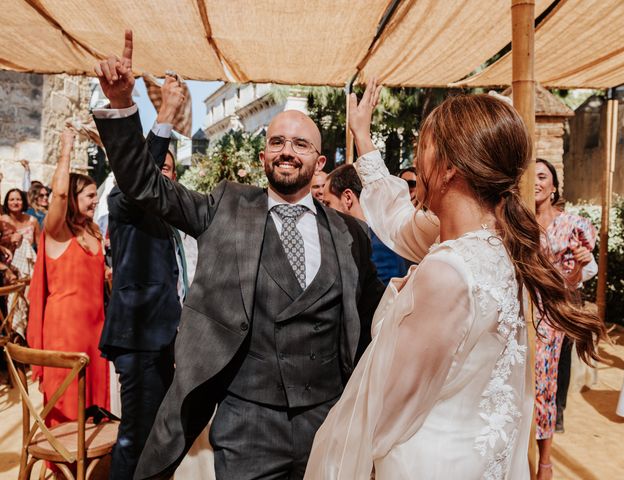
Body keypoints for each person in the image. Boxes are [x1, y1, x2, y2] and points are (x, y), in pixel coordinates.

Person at [92, 30, 384, 480]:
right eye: (277, 142)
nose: (287, 151)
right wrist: (120, 107)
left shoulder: (350, 234)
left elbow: (374, 321)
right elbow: (145, 186)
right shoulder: (224, 206)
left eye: (300, 144)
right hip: (247, 426)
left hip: (328, 422)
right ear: (263, 153)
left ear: (320, 162)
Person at [305, 80, 607, 479]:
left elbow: (390, 410)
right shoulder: (499, 244)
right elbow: (399, 220)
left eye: (424, 145)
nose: (416, 155)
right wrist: (363, 137)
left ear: (450, 168)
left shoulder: (449, 270)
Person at [101, 119, 188, 479]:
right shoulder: (123, 202)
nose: (159, 178)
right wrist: (165, 116)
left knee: (158, 436)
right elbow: (139, 178)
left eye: (166, 171)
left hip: (166, 337)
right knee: (135, 437)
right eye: (155, 171)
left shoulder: (170, 218)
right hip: (138, 340)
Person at [27, 129, 110, 428]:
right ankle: (64, 468)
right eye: (89, 196)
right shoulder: (57, 233)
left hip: (96, 331)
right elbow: (59, 193)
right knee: (66, 412)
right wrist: (66, 148)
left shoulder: (93, 231)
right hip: (65, 333)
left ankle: (87, 467)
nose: (95, 202)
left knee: (93, 415)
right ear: (73, 199)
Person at [534, 158, 598, 478]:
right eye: (529, 176)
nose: (535, 181)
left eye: (542, 176)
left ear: (554, 186)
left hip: (552, 314)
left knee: (545, 385)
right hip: (516, 309)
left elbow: (574, 281)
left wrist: (581, 263)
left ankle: (545, 461)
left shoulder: (573, 225)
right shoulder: (515, 222)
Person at [323, 164, 408, 285]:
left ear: (347, 198)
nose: (325, 211)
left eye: (327, 204)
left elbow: (382, 297)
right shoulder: (360, 238)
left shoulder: (378, 246)